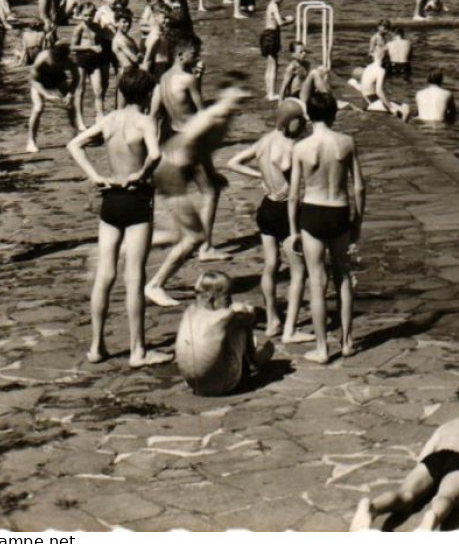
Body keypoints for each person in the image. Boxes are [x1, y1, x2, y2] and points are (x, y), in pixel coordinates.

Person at [66, 67, 171, 366]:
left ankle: (97, 347)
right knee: (134, 276)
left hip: (110, 197)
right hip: (136, 199)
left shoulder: (109, 119)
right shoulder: (146, 121)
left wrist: (95, 176)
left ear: (123, 92)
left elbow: (73, 145)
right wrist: (141, 174)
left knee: (105, 274)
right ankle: (138, 350)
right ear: (148, 94)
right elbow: (154, 155)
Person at [144, 85, 251, 306]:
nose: (240, 103)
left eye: (243, 100)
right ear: (224, 95)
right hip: (171, 173)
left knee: (179, 236)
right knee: (193, 237)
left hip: (178, 173)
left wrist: (211, 173)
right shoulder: (210, 118)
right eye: (236, 98)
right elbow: (185, 141)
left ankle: (132, 244)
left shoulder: (224, 119)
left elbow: (204, 150)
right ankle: (155, 285)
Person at [350, 380, 459, 532]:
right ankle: (430, 519)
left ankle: (373, 507)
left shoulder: (446, 426)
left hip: (435, 459)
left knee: (405, 494)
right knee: (446, 497)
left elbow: (422, 457)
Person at [225, 100, 311, 342]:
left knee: (271, 264)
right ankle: (290, 330)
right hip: (285, 209)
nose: (303, 123)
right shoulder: (287, 146)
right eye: (300, 119)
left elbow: (233, 163)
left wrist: (260, 175)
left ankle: (273, 319)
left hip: (266, 206)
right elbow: (285, 167)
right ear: (289, 121)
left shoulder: (264, 140)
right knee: (298, 271)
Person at [290, 91, 365, 364]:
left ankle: (322, 349)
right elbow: (359, 186)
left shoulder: (301, 147)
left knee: (316, 281)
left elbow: (294, 194)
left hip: (312, 211)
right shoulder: (346, 142)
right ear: (335, 114)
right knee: (342, 276)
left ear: (308, 116)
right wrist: (358, 220)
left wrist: (292, 229)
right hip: (339, 210)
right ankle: (346, 342)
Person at [175, 270, 272, 396]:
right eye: (227, 296)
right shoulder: (226, 316)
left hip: (193, 385)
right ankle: (254, 361)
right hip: (224, 385)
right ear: (213, 299)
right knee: (240, 327)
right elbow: (250, 315)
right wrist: (245, 312)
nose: (231, 301)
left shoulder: (189, 312)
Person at [25, 42, 78, 154]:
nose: (59, 61)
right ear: (53, 53)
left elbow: (76, 78)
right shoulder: (43, 58)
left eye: (61, 59)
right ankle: (31, 141)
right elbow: (32, 79)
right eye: (57, 58)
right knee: (38, 108)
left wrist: (70, 94)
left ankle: (75, 134)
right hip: (39, 81)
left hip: (57, 79)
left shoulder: (68, 61)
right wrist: (46, 94)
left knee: (70, 104)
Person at [262, 0, 291, 101]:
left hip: (267, 35)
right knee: (273, 66)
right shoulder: (274, 6)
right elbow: (279, 22)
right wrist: (289, 20)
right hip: (271, 36)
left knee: (270, 66)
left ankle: (268, 91)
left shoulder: (271, 5)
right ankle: (271, 94)